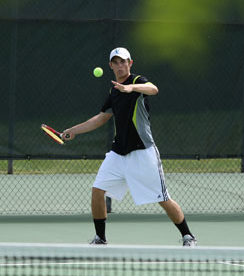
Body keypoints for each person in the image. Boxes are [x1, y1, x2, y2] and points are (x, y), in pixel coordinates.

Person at [62, 47, 197, 247]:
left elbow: (154, 89)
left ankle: (188, 236)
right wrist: (74, 130)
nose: (120, 65)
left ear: (130, 63)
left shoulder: (137, 82)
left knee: (162, 198)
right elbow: (101, 117)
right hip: (119, 153)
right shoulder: (113, 91)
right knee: (98, 190)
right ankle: (100, 238)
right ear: (110, 66)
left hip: (143, 152)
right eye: (115, 62)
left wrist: (131, 88)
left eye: (123, 61)